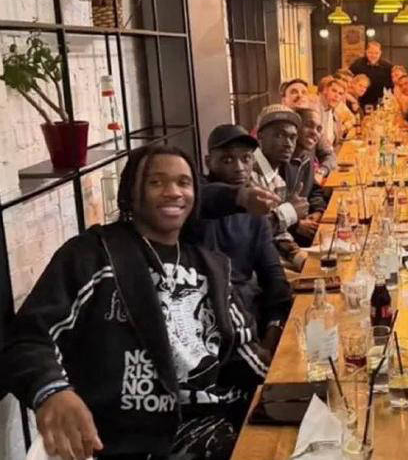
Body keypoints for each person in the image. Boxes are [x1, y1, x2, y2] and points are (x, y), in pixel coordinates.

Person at [1, 144, 268, 460]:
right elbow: (28, 338)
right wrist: (53, 392)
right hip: (130, 440)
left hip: (219, 425)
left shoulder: (211, 266)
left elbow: (242, 349)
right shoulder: (93, 256)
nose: (173, 192)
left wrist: (287, 385)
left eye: (183, 182)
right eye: (156, 182)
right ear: (130, 193)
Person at [201, 124, 292, 354]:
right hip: (208, 319)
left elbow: (272, 274)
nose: (239, 168)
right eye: (227, 160)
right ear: (208, 162)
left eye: (246, 158)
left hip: (251, 314)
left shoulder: (255, 210)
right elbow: (206, 196)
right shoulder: (197, 201)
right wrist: (239, 197)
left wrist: (274, 328)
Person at [251, 105, 310, 273]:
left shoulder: (277, 180)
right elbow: (250, 232)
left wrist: (302, 260)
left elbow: (279, 236)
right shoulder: (247, 172)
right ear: (260, 136)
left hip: (272, 262)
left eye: (292, 137)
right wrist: (290, 211)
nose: (288, 144)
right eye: (279, 135)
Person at [276, 80, 337, 180]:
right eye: (294, 92)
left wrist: (322, 171)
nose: (300, 95)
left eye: (304, 92)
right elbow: (260, 160)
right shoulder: (273, 125)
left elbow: (329, 155)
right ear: (284, 101)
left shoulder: (314, 125)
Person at [289, 107, 329, 246]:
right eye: (309, 125)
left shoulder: (307, 156)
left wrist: (318, 211)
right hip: (287, 237)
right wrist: (296, 225)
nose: (314, 132)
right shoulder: (278, 161)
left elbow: (314, 190)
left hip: (304, 226)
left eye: (319, 129)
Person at [349, 40, 393, 107]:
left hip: (380, 101)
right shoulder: (357, 64)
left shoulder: (387, 66)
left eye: (376, 53)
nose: (373, 55)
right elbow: (348, 79)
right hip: (360, 101)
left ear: (380, 53)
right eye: (370, 52)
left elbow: (392, 84)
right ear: (366, 52)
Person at [317, 76, 344, 146]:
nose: (337, 96)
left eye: (340, 94)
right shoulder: (314, 111)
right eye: (334, 91)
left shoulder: (334, 113)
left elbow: (338, 139)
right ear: (325, 90)